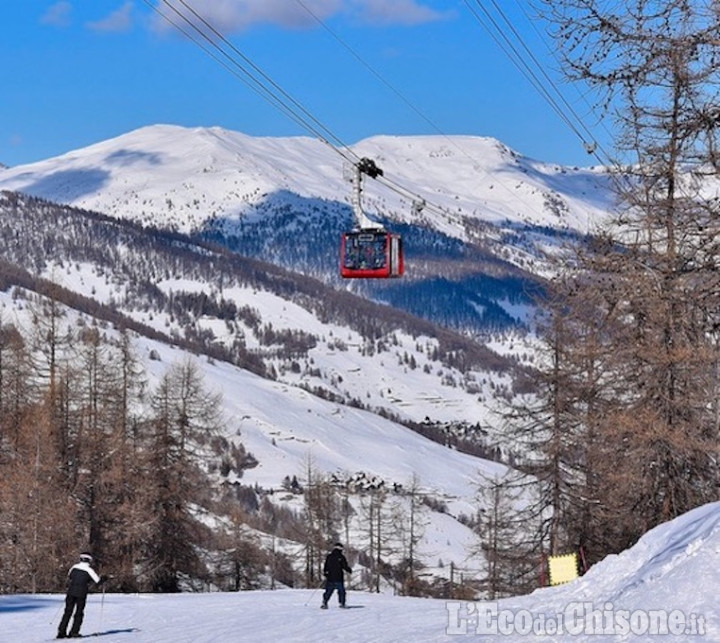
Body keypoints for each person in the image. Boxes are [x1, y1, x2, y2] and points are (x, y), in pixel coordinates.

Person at [57, 552, 105, 639]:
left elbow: (70, 576)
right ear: (89, 560)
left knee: (67, 612)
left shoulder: (74, 567)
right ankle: (74, 632)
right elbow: (98, 581)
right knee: (79, 613)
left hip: (71, 592)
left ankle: (61, 631)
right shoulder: (89, 570)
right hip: (81, 593)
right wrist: (104, 579)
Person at [321, 542, 352, 609]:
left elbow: (326, 566)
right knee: (341, 591)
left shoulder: (329, 556)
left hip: (330, 577)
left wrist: (325, 573)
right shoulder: (341, 557)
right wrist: (349, 570)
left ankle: (325, 602)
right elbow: (344, 566)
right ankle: (342, 603)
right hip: (338, 577)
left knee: (328, 591)